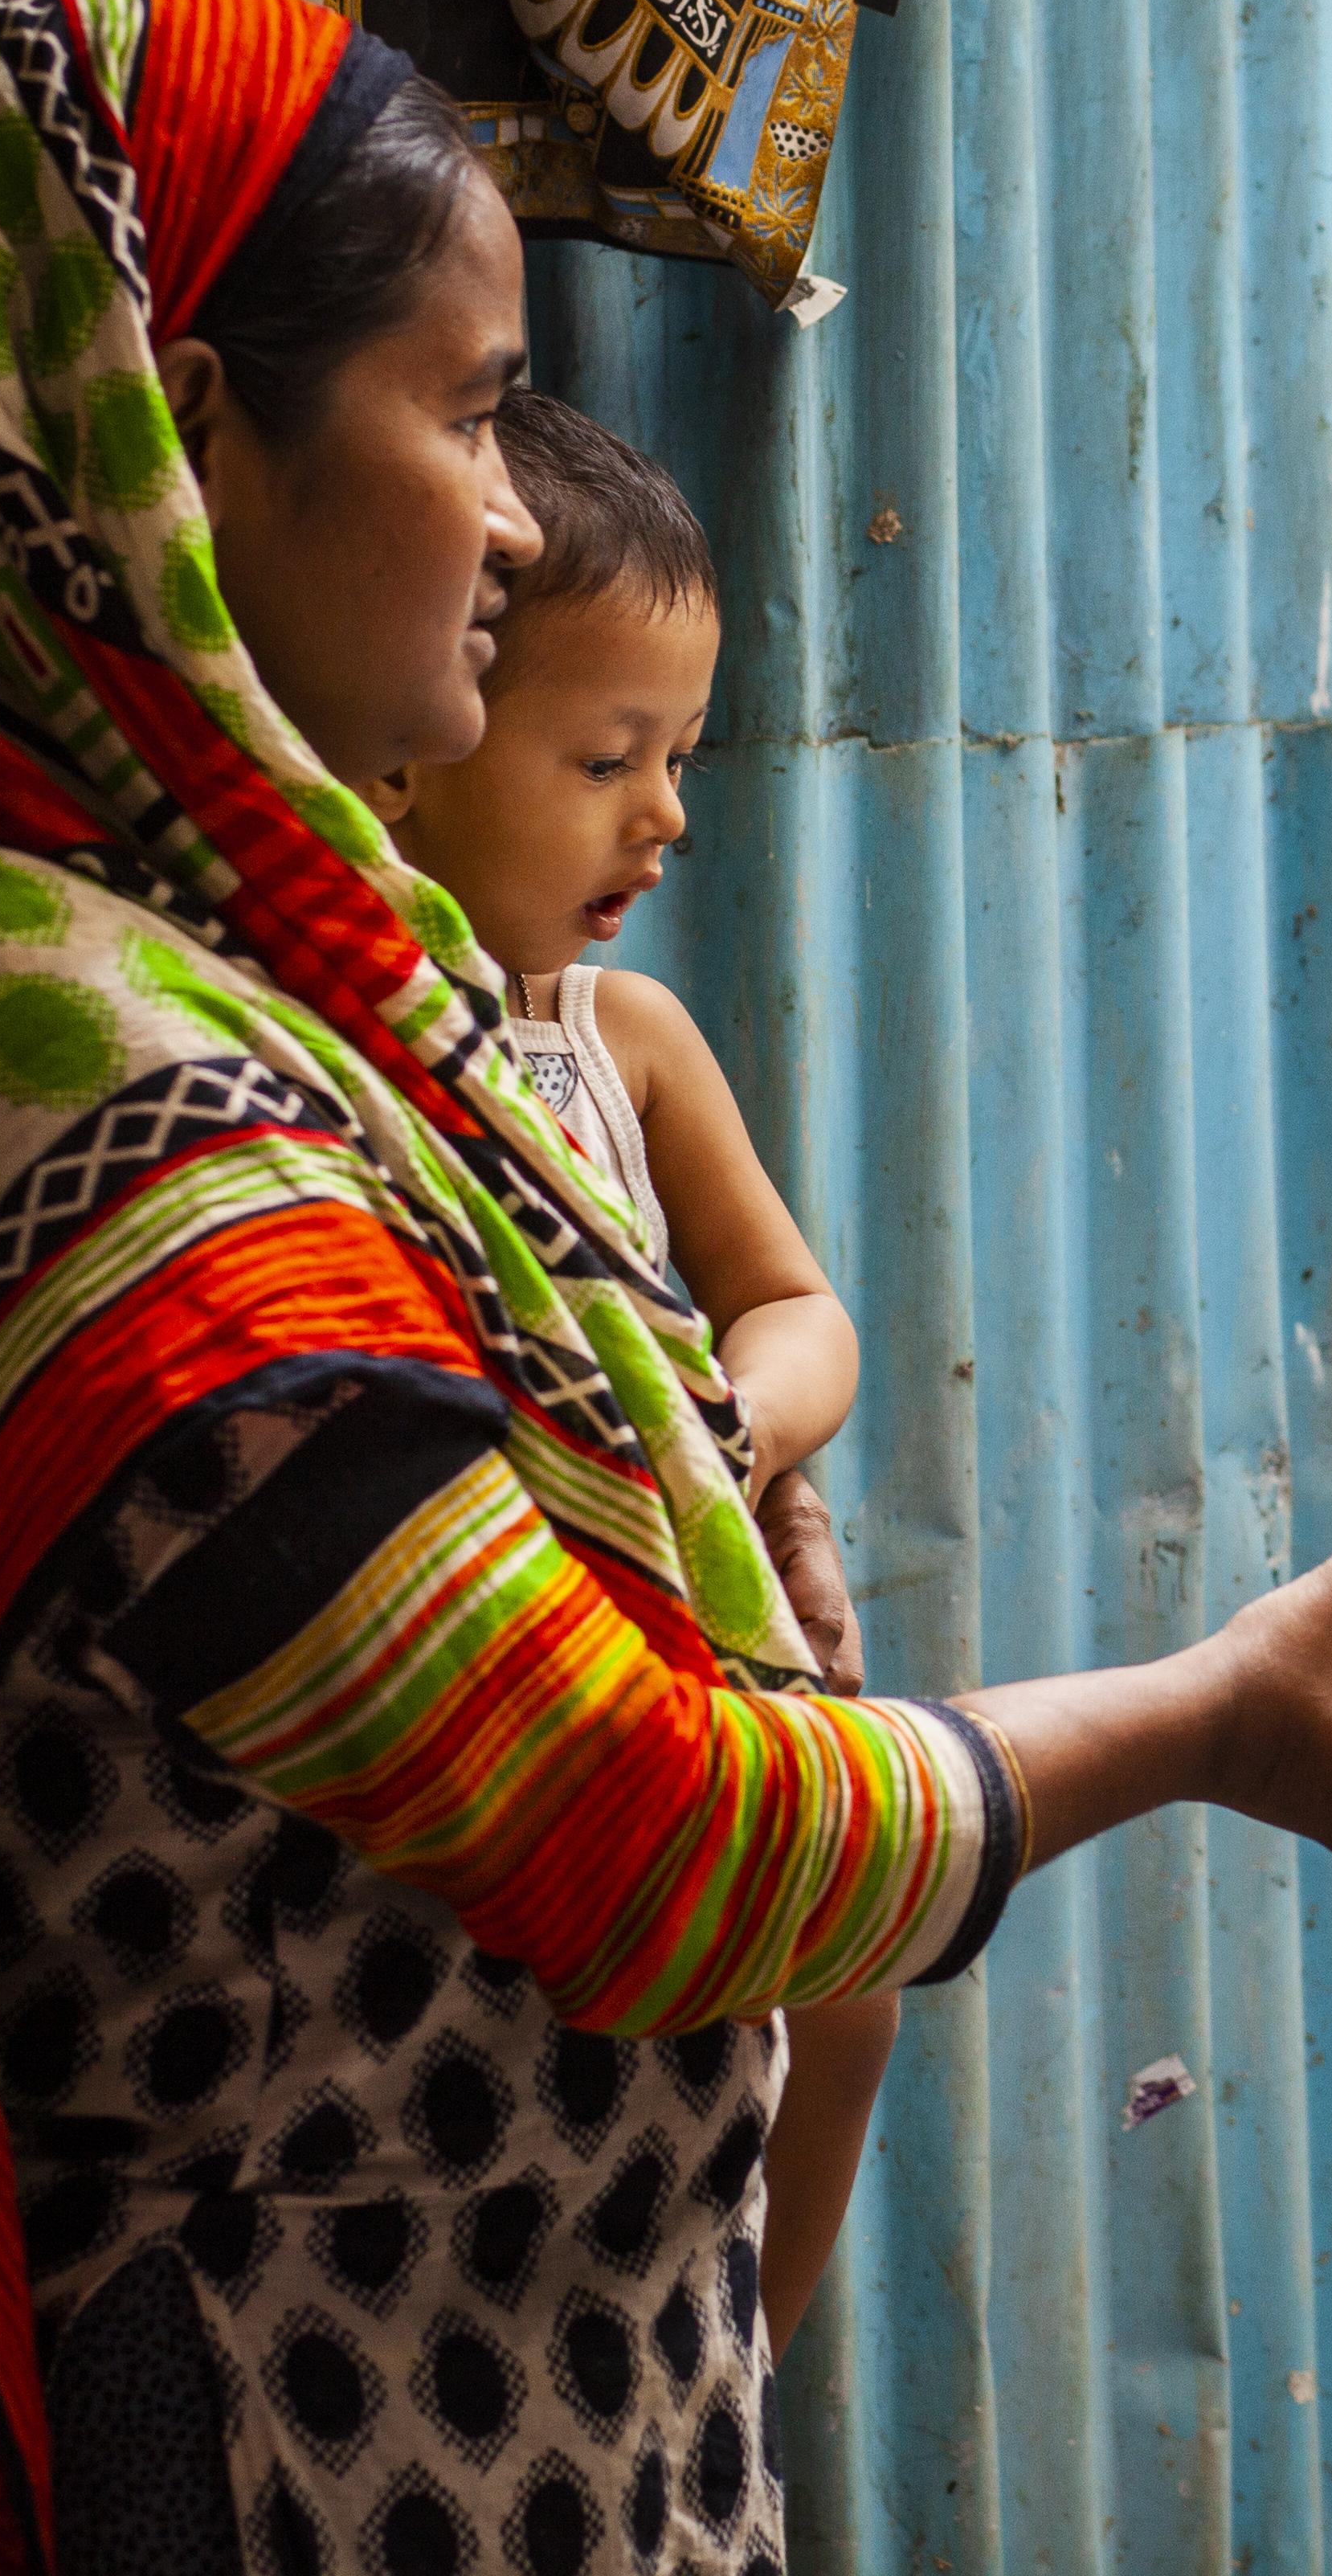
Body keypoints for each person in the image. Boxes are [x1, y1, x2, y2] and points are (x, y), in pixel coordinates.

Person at [0, 0, 1332, 2576]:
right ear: (178, 452)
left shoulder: (240, 998)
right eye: (458, 406)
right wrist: (1219, 1715)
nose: (518, 516)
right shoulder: (86, 1117)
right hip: (320, 2460)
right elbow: (653, 1838)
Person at [369, 389, 892, 2356]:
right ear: (423, 751)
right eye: (609, 758)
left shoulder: (624, 1038)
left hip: (716, 1634)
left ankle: (738, 2365)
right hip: (533, 1707)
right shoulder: (350, 1054)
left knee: (845, 1988)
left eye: (680, 757)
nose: (666, 813)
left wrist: (735, 1428)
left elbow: (801, 1309)